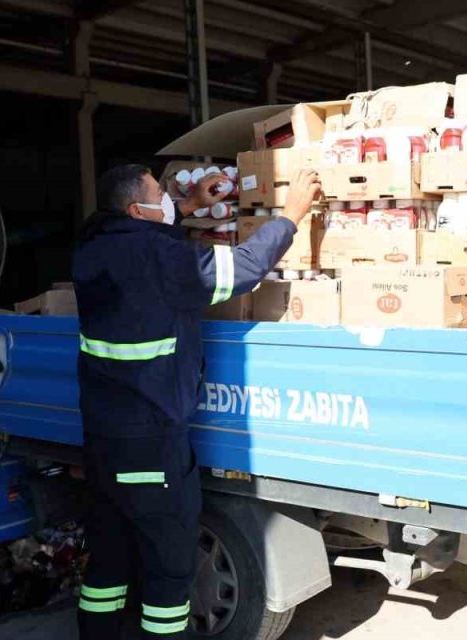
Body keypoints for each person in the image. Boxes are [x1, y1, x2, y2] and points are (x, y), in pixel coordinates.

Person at [72, 164, 320, 639]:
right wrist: (289, 217)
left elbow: (140, 250)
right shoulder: (161, 258)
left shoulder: (90, 248)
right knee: (168, 570)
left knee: (108, 564)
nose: (166, 196)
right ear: (137, 210)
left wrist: (187, 208)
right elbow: (244, 269)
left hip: (103, 438)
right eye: (158, 193)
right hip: (152, 442)